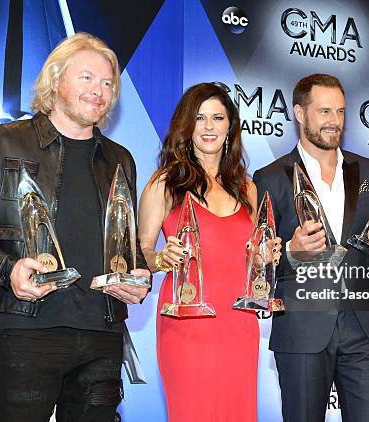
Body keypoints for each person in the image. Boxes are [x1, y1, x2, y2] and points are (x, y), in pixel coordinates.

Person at [0, 33, 150, 422]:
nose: (99, 91)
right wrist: (7, 268)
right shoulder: (2, 142)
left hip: (103, 336)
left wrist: (139, 276)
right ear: (55, 80)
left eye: (107, 83)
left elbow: (127, 245)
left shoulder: (121, 160)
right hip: (30, 330)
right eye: (87, 77)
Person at [253, 74, 369, 421]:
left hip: (364, 328)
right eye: (324, 111)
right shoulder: (271, 177)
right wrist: (291, 252)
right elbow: (257, 263)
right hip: (302, 327)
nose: (334, 121)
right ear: (299, 113)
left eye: (340, 111)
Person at [138, 82, 280, 421]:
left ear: (230, 126)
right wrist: (162, 258)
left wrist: (263, 258)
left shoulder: (247, 187)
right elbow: (140, 250)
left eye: (217, 117)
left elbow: (251, 257)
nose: (209, 126)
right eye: (199, 118)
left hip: (238, 321)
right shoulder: (166, 182)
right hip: (187, 321)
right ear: (186, 127)